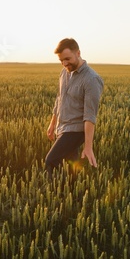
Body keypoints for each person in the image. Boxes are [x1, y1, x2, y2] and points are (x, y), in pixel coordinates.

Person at [45, 38, 104, 176]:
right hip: (62, 126)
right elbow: (60, 99)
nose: (64, 63)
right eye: (61, 60)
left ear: (78, 53)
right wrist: (52, 123)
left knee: (51, 160)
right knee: (72, 165)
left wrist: (88, 147)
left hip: (76, 130)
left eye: (67, 58)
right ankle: (73, 193)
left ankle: (56, 193)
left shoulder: (91, 79)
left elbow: (90, 115)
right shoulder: (64, 72)